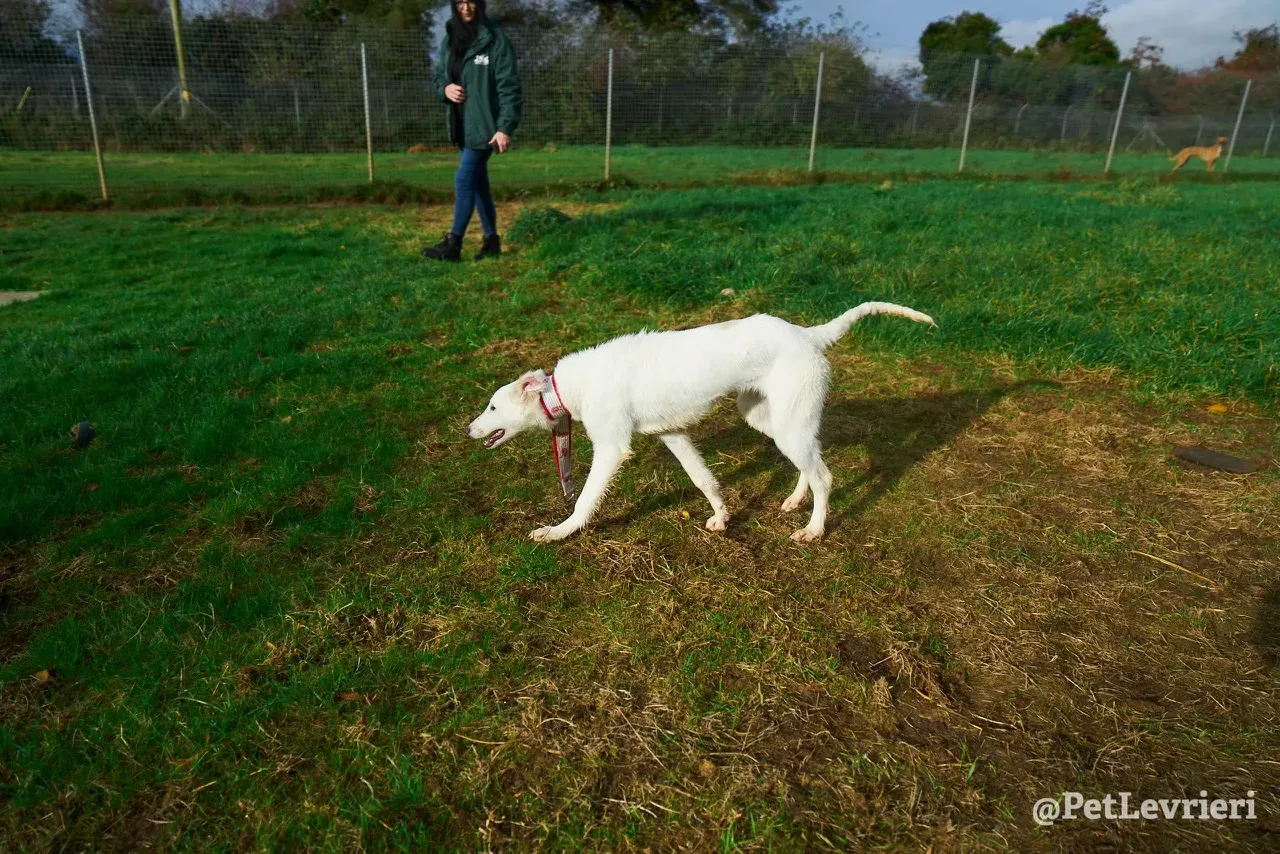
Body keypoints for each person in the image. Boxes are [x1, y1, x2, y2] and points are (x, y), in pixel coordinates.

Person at [423, 0, 523, 262]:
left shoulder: (495, 41)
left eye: (471, 2)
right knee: (478, 184)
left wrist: (504, 127)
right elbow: (438, 78)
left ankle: (453, 244)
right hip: (460, 124)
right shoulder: (450, 39)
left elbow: (509, 88)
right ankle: (492, 242)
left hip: (485, 126)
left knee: (464, 179)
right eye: (460, 2)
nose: (465, 7)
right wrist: (445, 89)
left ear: (480, 4)